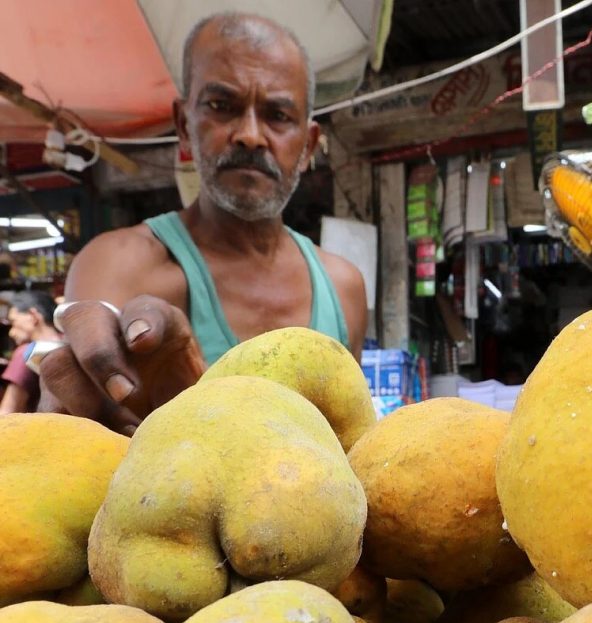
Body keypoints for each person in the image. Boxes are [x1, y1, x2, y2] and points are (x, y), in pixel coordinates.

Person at [38, 12, 368, 435]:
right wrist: (82, 405)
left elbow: (348, 444)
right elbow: (86, 429)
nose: (250, 135)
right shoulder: (120, 265)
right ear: (183, 125)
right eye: (221, 106)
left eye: (279, 115)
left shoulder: (343, 287)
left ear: (308, 146)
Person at [0, 291, 62, 413]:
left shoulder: (26, 353)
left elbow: (7, 413)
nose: (11, 332)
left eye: (14, 322)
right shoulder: (69, 343)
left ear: (33, 316)